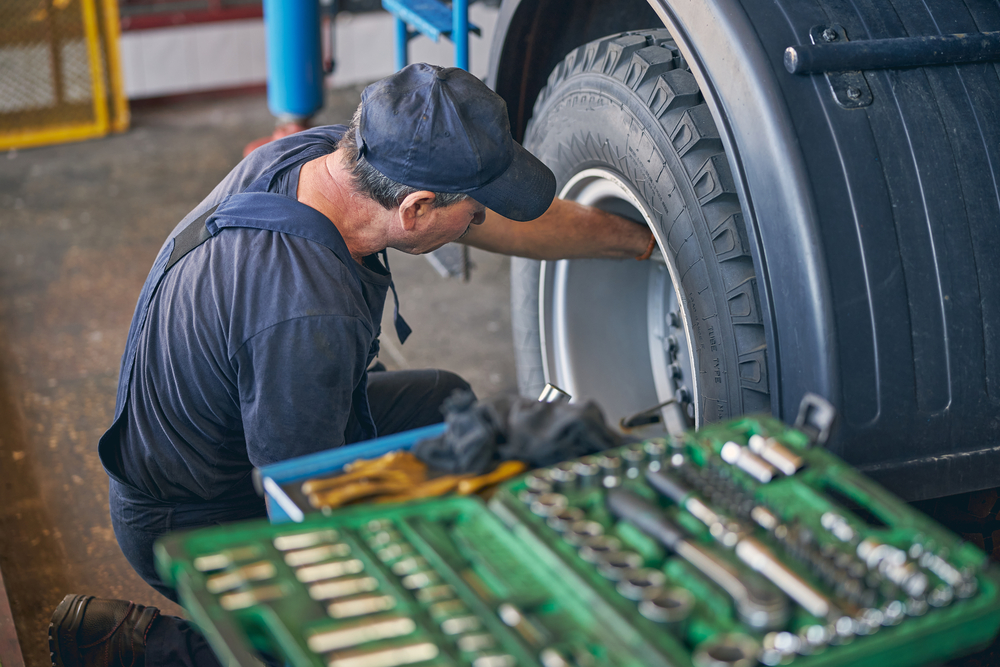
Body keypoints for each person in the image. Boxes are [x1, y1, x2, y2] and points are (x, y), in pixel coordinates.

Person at [48, 63, 655, 667]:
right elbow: (302, 507)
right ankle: (137, 646)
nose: (477, 222)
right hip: (191, 514)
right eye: (472, 212)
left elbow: (492, 221)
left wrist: (636, 240)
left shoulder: (330, 157)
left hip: (226, 431)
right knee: (387, 631)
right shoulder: (309, 313)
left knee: (444, 404)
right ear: (415, 210)